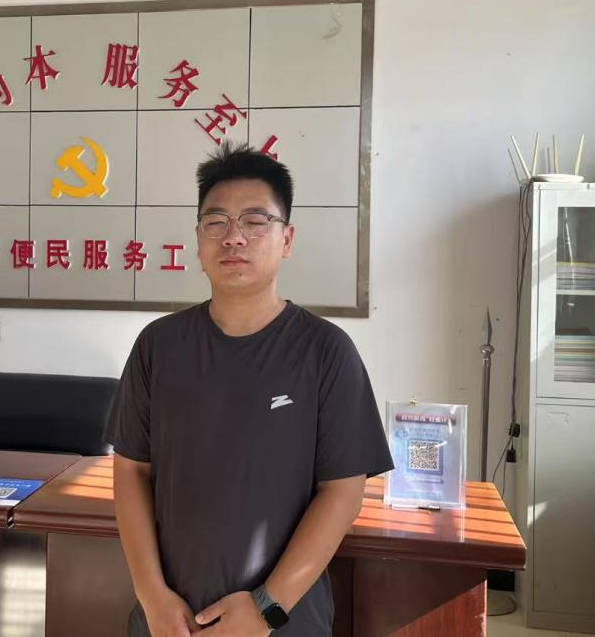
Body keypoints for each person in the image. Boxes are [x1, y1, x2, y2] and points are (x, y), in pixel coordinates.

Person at [107, 142, 391, 637]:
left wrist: (266, 608)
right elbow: (131, 471)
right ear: (198, 239)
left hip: (282, 623)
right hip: (170, 622)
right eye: (216, 222)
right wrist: (152, 596)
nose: (234, 237)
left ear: (287, 239)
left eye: (256, 222)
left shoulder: (326, 351)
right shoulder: (159, 345)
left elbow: (344, 493)